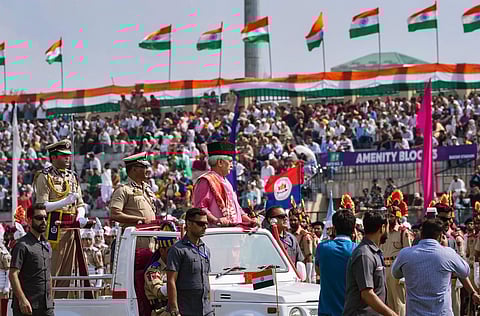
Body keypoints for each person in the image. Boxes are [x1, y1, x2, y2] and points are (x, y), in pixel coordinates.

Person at [33, 139, 88, 298]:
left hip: (71, 226)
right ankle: (48, 302)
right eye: (63, 156)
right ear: (54, 157)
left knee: (67, 270)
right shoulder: (44, 176)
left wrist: (81, 214)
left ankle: (62, 301)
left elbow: (81, 203)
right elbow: (42, 205)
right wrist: (64, 202)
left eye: (69, 156)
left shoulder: (72, 176)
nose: (68, 159)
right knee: (52, 268)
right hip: (53, 226)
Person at [392, 219, 480, 316]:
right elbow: (465, 272)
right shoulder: (448, 253)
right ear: (441, 236)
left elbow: (396, 274)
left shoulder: (405, 254)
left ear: (421, 234)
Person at [343, 210, 398, 316]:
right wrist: (391, 314)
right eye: (387, 228)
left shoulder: (374, 252)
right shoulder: (365, 255)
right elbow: (367, 293)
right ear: (382, 227)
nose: (388, 232)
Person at [193, 141, 255, 227]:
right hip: (217, 233)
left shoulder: (226, 182)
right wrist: (216, 220)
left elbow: (237, 209)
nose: (231, 165)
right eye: (229, 161)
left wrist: (250, 221)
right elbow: (200, 209)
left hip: (234, 231)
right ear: (220, 163)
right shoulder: (206, 180)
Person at [166, 208, 213, 316]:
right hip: (186, 310)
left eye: (206, 223)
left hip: (205, 310)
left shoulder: (205, 249)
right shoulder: (177, 250)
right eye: (200, 223)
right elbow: (171, 281)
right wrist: (174, 310)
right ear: (189, 224)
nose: (205, 226)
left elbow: (206, 279)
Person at [9, 204, 54, 316]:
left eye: (45, 218)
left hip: (46, 306)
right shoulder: (22, 245)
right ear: (29, 221)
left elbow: (48, 275)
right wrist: (22, 299)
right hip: (27, 307)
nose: (43, 221)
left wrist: (51, 298)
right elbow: (13, 274)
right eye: (39, 218)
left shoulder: (46, 245)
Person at [315, 210, 357, 316]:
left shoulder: (322, 247)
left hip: (326, 311)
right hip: (351, 311)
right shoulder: (357, 249)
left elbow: (318, 271)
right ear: (354, 228)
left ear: (334, 227)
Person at [381, 191, 412, 316]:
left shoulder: (403, 232)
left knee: (399, 302)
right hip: (384, 269)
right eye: (387, 216)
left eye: (391, 216)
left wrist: (405, 274)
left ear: (398, 217)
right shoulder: (383, 233)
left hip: (397, 270)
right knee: (387, 302)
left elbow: (409, 254)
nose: (389, 218)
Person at [110, 152, 157, 228]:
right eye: (144, 167)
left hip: (150, 236)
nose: (148, 170)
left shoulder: (147, 189)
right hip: (134, 238)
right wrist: (139, 219)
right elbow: (114, 214)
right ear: (134, 169)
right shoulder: (123, 190)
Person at [144, 230, 178, 316]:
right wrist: (178, 282)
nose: (175, 255)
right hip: (162, 311)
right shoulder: (153, 270)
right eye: (171, 251)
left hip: (177, 307)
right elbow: (159, 292)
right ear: (162, 251)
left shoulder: (177, 267)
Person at [289, 211, 314, 282]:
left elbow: (309, 256)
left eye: (295, 220)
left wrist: (308, 276)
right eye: (291, 220)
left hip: (301, 269)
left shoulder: (305, 236)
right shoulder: (287, 233)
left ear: (299, 221)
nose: (292, 222)